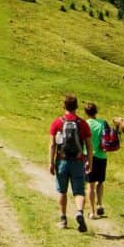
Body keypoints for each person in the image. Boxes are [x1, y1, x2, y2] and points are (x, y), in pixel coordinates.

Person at [49, 94, 93, 232]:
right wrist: (90, 162)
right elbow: (89, 146)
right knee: (79, 191)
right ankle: (79, 212)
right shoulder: (83, 123)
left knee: (62, 191)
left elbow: (52, 145)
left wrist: (50, 162)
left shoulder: (57, 122)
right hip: (78, 162)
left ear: (64, 106)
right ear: (77, 107)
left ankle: (63, 220)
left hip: (62, 161)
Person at [83, 102, 108, 218]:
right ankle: (100, 204)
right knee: (100, 182)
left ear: (86, 113)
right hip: (102, 156)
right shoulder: (103, 123)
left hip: (88, 156)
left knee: (90, 185)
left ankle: (92, 212)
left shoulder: (85, 124)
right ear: (96, 111)